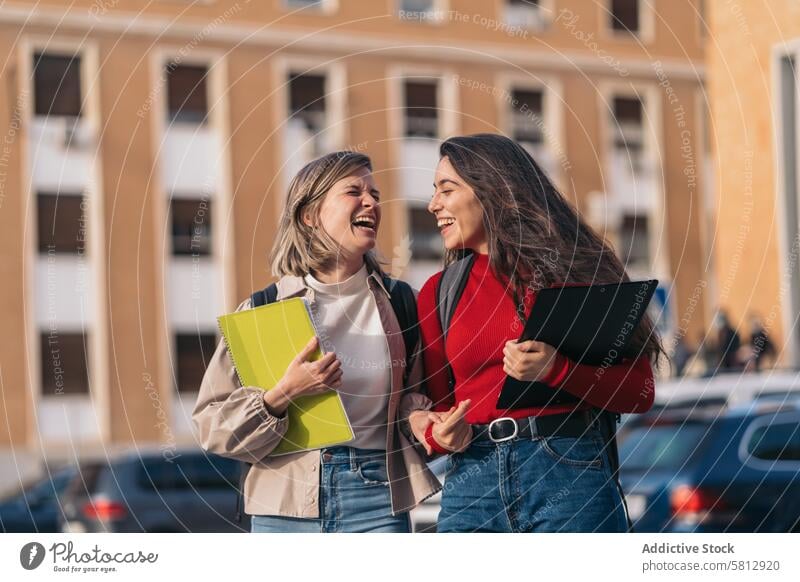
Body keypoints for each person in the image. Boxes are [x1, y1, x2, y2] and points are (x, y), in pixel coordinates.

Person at [406, 134, 663, 533]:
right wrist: (438, 434)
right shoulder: (437, 293)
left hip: (569, 471)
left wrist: (557, 369)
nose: (433, 204)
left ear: (491, 190)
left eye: (446, 189)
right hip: (473, 481)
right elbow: (440, 408)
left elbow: (641, 391)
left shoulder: (576, 271)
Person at [193, 151, 439, 533]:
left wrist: (420, 418)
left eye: (374, 193)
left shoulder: (404, 303)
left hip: (376, 499)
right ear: (309, 215)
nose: (371, 202)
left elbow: (415, 400)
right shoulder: (261, 309)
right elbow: (211, 425)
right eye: (353, 191)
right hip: (284, 505)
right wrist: (282, 394)